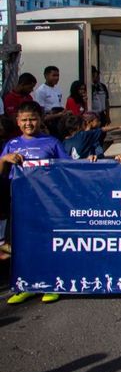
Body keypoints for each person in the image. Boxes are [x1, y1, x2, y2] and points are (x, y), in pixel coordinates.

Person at [2, 101, 69, 304]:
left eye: (32, 119)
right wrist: (4, 159)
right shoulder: (11, 144)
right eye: (24, 120)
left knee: (48, 244)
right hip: (20, 204)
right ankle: (27, 285)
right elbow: (1, 173)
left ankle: (51, 284)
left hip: (47, 203)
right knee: (22, 245)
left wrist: (90, 160)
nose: (28, 123)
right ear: (17, 121)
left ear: (40, 120)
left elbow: (69, 169)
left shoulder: (51, 143)